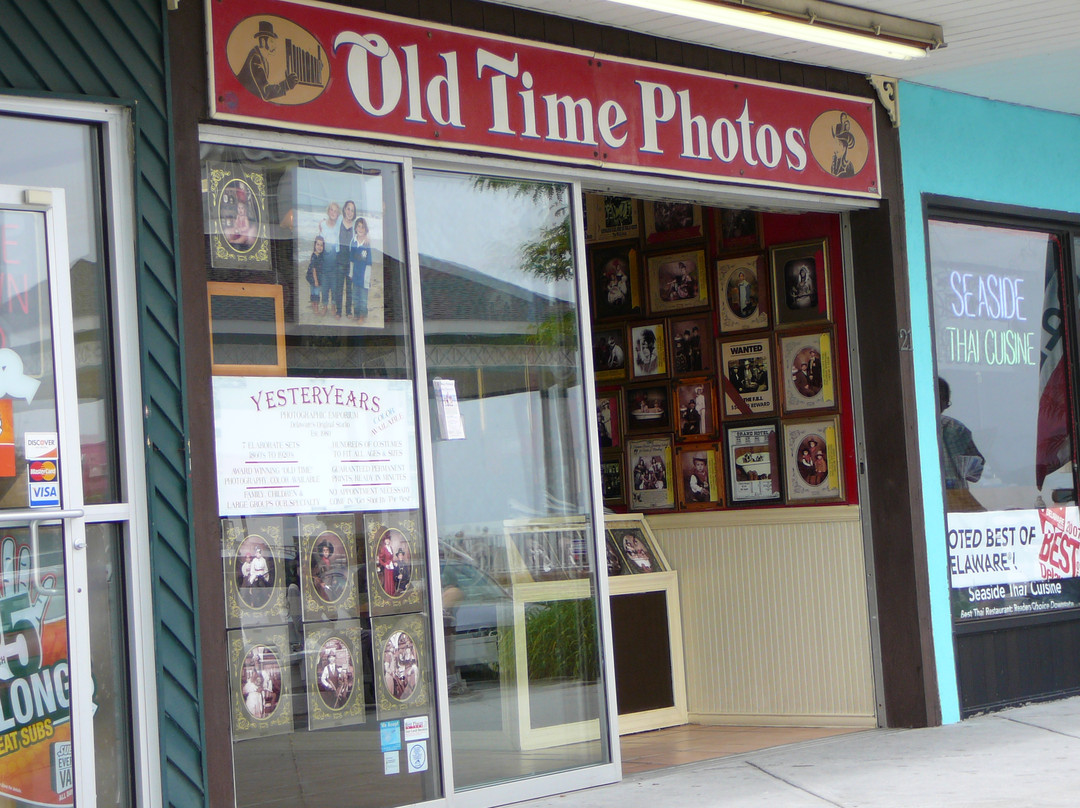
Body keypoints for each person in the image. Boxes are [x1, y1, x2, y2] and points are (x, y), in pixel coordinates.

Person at [939, 377, 985, 511]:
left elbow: (973, 471)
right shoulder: (954, 428)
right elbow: (975, 473)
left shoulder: (907, 428)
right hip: (954, 500)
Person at [237, 21, 298, 101]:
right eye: (271, 41)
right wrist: (286, 85)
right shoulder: (256, 58)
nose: (275, 46)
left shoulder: (263, 59)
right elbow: (266, 92)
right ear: (262, 41)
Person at [317, 202, 342, 315]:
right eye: (331, 210)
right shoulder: (323, 225)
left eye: (336, 211)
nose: (333, 212)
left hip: (335, 257)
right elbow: (319, 241)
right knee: (325, 284)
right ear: (328, 211)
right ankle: (325, 305)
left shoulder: (340, 224)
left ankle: (333, 306)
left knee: (334, 285)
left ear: (338, 214)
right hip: (325, 258)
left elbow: (351, 223)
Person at [334, 200, 358, 318]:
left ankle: (348, 311)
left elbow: (363, 236)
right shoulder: (338, 221)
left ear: (354, 213)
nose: (350, 212)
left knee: (349, 288)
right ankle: (339, 311)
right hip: (339, 259)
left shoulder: (356, 226)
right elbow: (329, 225)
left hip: (350, 261)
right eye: (348, 209)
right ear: (344, 209)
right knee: (339, 287)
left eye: (352, 210)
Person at [349, 217, 373, 323]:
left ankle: (362, 315)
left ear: (366, 229)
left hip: (364, 275)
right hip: (355, 274)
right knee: (355, 296)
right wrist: (350, 273)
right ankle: (357, 313)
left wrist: (367, 278)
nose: (360, 228)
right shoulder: (353, 242)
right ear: (355, 228)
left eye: (363, 227)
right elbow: (351, 260)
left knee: (363, 297)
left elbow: (369, 263)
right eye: (358, 226)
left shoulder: (367, 243)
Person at [312, 538, 337, 602]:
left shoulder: (331, 562)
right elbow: (314, 575)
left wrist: (335, 580)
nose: (326, 552)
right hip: (324, 587)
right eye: (324, 550)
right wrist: (321, 583)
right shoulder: (320, 563)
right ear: (322, 552)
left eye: (327, 550)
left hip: (331, 585)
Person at [305, 235, 325, 314]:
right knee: (315, 292)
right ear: (314, 245)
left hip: (317, 277)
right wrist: (316, 280)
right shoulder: (314, 256)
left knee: (314, 292)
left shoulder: (321, 256)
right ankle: (315, 307)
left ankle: (314, 305)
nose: (319, 247)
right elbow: (313, 269)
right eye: (318, 244)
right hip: (313, 277)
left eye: (321, 245)